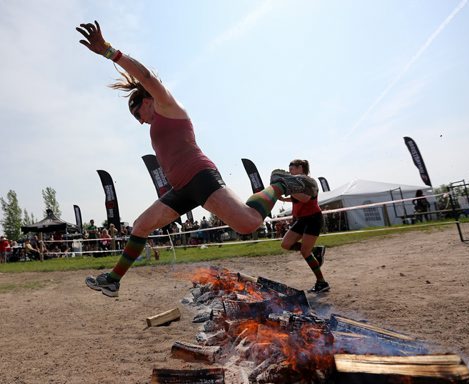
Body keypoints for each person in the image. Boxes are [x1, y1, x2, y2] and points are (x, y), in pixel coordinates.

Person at [76, 21, 318, 297]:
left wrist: (108, 51)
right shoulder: (156, 123)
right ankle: (113, 280)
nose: (140, 122)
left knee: (248, 223)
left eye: (137, 115)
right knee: (141, 225)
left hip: (201, 177)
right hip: (180, 189)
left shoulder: (168, 105)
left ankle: (281, 184)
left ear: (145, 101)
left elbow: (144, 76)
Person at [279, 160, 329, 293]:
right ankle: (316, 250)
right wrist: (284, 198)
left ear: (300, 168)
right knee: (285, 244)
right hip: (301, 219)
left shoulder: (308, 181)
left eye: (292, 169)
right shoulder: (296, 183)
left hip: (313, 218)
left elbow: (305, 198)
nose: (290, 172)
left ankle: (322, 283)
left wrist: (287, 188)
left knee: (305, 252)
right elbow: (296, 198)